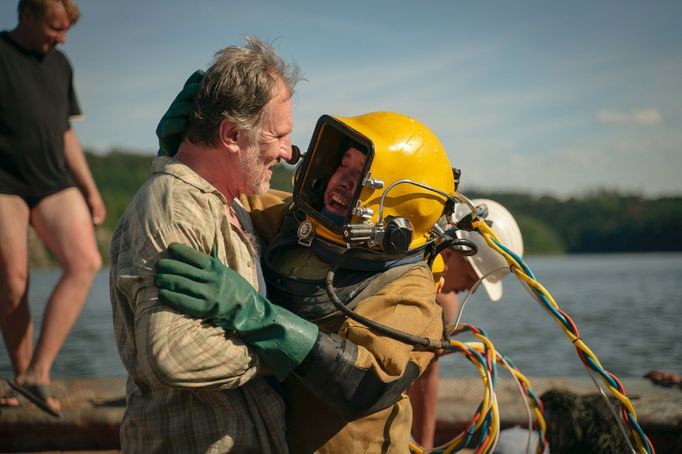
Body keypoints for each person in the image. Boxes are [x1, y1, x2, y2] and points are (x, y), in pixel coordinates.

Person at [154, 111, 457, 453]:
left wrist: (259, 318)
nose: (341, 179)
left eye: (361, 174)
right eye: (343, 163)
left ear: (398, 203)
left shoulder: (408, 287)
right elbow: (228, 194)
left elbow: (365, 384)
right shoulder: (299, 222)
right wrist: (189, 155)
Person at [109, 37, 301, 453]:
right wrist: (286, 350)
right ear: (232, 134)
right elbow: (174, 353)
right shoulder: (175, 205)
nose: (288, 152)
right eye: (280, 135)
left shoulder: (231, 204)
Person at [0, 0, 105, 416]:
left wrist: (91, 189)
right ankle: (24, 375)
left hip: (52, 180)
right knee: (13, 279)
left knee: (84, 262)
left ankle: (36, 373)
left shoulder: (60, 65)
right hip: (4, 182)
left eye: (66, 31)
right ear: (26, 15)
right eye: (54, 28)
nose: (61, 38)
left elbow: (64, 133)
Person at [408, 198, 524, 448]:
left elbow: (426, 377)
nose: (472, 289)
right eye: (472, 277)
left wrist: (425, 448)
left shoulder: (443, 305)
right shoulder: (402, 275)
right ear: (449, 252)